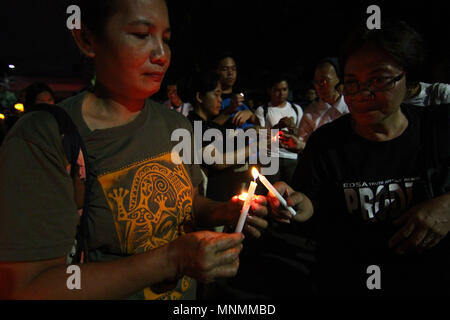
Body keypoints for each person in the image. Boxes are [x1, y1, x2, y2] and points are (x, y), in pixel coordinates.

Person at [0, 0, 269, 300]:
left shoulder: (173, 124)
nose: (161, 55)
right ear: (87, 39)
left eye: (166, 39)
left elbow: (189, 204)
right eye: (142, 34)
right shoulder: (44, 138)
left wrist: (228, 210)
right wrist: (171, 260)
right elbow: (27, 288)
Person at [284, 20, 449, 299]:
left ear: (408, 80)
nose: (363, 93)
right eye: (352, 83)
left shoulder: (440, 129)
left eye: (379, 79)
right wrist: (296, 204)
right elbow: (310, 201)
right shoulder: (326, 144)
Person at [186, 71, 255, 202]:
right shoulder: (194, 125)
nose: (220, 100)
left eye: (221, 95)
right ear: (200, 97)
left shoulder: (207, 124)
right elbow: (217, 161)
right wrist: (255, 147)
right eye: (216, 94)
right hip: (211, 200)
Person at [255, 73, 303, 184]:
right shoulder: (263, 110)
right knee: (271, 193)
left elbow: (300, 135)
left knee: (292, 192)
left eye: (284, 89)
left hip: (291, 157)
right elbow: (261, 136)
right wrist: (279, 126)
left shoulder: (296, 109)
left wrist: (293, 129)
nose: (281, 94)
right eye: (277, 90)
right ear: (269, 91)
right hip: (271, 157)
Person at [297, 58, 349, 147]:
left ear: (338, 79)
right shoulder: (310, 113)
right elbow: (304, 143)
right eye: (316, 82)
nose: (319, 86)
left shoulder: (352, 107)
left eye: (324, 81)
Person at [212, 54, 259, 129]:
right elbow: (208, 129)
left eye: (233, 69)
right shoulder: (212, 98)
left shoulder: (241, 95)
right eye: (225, 69)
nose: (230, 73)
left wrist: (250, 114)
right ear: (216, 71)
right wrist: (229, 111)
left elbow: (258, 123)